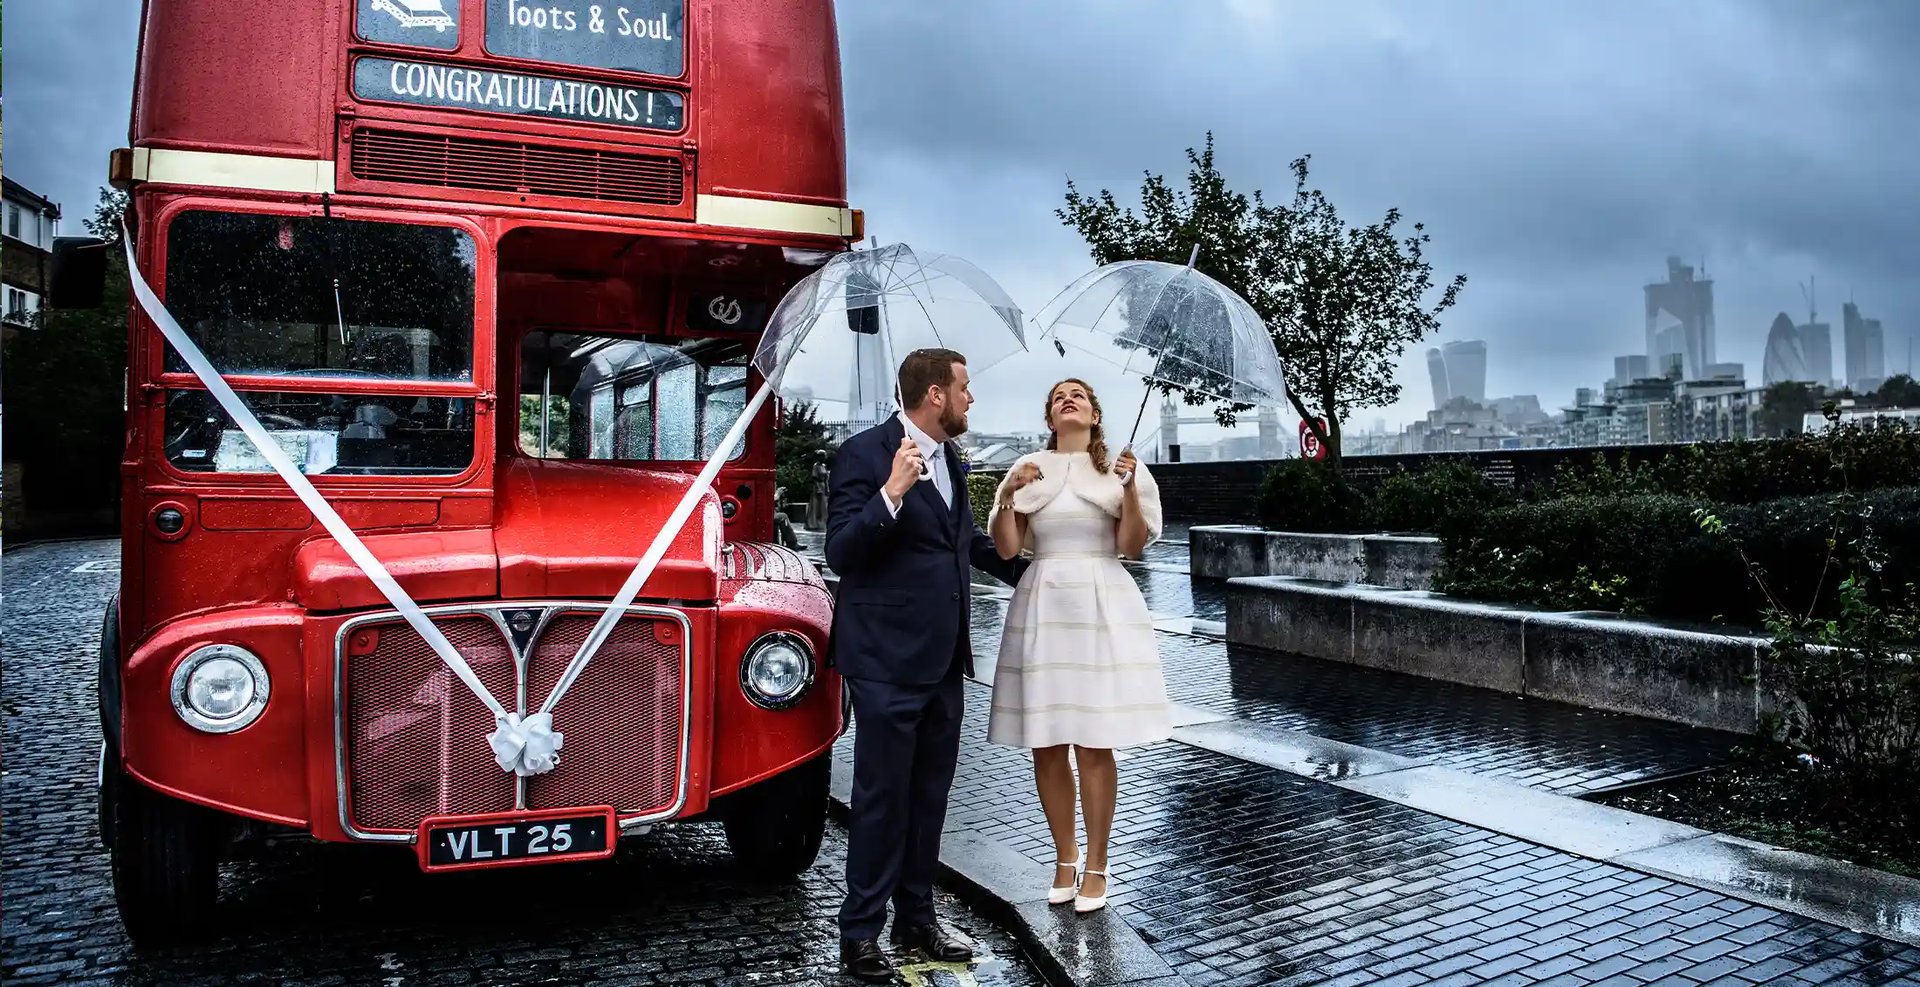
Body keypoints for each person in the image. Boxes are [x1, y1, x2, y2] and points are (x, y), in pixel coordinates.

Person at [826, 347, 1027, 983]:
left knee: (929, 798)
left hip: (943, 661)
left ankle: (916, 918)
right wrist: (890, 493)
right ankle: (859, 935)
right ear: (934, 394)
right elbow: (840, 553)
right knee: (881, 798)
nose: (972, 400)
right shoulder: (864, 454)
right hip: (884, 661)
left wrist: (1037, 572)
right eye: (965, 389)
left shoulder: (952, 460)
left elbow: (961, 542)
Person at [986, 377, 1171, 914]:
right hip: (1042, 600)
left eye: (1079, 396)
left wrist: (1131, 489)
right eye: (1058, 398)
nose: (1068, 400)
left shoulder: (1119, 465)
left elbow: (1132, 547)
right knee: (1046, 740)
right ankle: (1063, 858)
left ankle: (1097, 864)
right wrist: (1005, 493)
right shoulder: (1030, 465)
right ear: (1049, 417)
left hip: (1100, 602)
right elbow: (1007, 547)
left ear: (1094, 414)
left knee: (1093, 740)